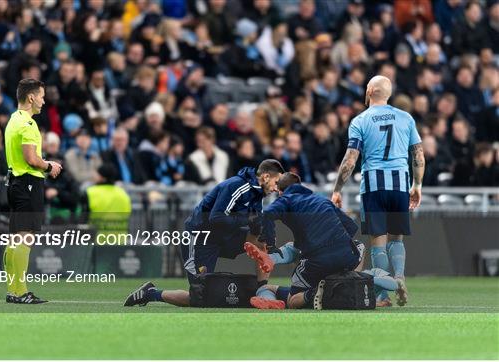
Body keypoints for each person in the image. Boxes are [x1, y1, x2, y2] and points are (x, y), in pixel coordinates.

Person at [123, 159, 285, 307]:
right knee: (200, 297)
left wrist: (267, 237)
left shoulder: (257, 195)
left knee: (261, 240)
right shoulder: (237, 186)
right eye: (277, 182)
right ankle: (150, 294)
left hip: (223, 236)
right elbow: (216, 217)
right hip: (200, 238)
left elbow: (256, 223)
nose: (277, 189)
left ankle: (262, 291)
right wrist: (247, 220)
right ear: (265, 177)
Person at [330, 75, 425, 306]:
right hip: (400, 184)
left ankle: (383, 295)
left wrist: (337, 189)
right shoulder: (406, 118)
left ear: (371, 90)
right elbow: (419, 155)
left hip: (374, 186)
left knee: (378, 242)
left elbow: (350, 160)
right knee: (397, 239)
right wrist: (417, 185)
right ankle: (400, 276)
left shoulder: (360, 121)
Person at [243, 172, 367, 309]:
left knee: (291, 300)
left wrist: (271, 243)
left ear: (280, 192)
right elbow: (351, 227)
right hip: (345, 256)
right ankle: (354, 283)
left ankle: (312, 293)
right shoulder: (322, 199)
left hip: (318, 260)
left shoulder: (286, 199)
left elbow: (267, 214)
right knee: (360, 246)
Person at [3, 78, 62, 304]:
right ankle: (21, 291)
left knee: (14, 239)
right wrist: (50, 166)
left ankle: (13, 290)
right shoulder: (28, 124)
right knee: (25, 238)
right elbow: (31, 158)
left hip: (15, 182)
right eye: (42, 96)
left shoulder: (12, 121)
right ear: (31, 97)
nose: (44, 101)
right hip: (28, 182)